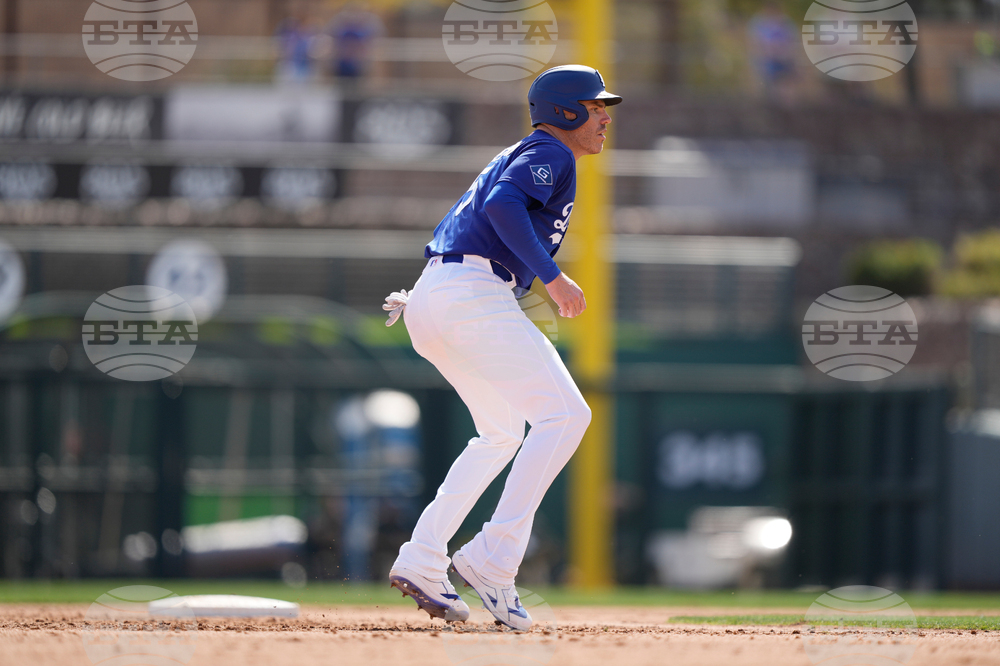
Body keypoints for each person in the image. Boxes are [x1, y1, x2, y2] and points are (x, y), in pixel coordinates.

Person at [382, 65, 622, 630]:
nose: (605, 116)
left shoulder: (535, 149)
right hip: (470, 294)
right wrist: (552, 278)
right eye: (595, 106)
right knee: (566, 415)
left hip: (436, 298)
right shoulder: (552, 153)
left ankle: (422, 557)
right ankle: (495, 557)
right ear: (566, 111)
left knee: (501, 433)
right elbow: (504, 207)